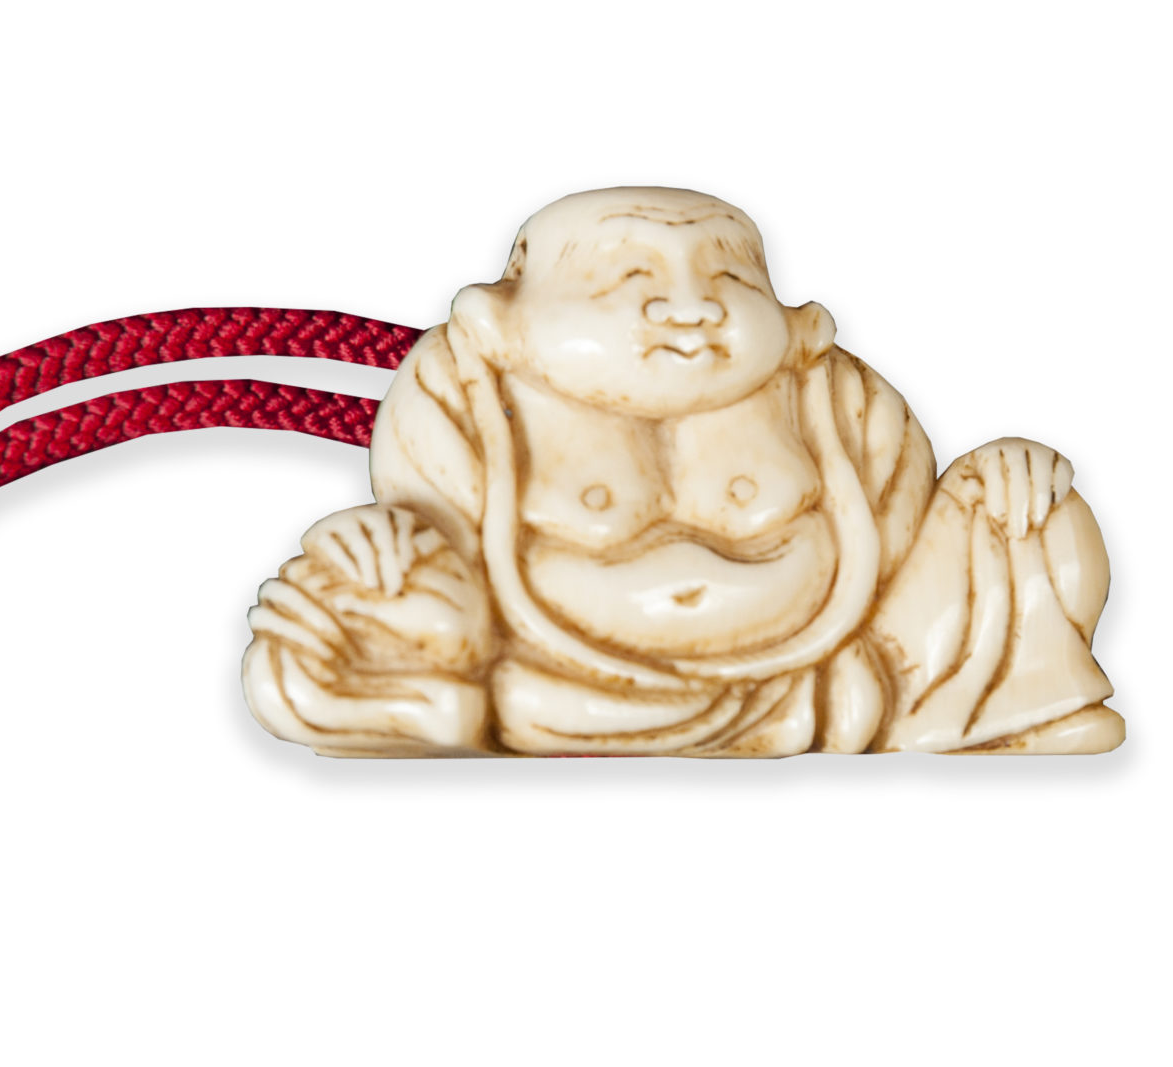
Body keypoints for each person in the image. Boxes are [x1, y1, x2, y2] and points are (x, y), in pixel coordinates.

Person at [243, 187, 1122, 756]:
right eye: (627, 275)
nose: (689, 306)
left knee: (1024, 506)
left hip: (831, 683)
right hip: (551, 692)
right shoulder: (466, 391)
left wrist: (1000, 480)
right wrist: (379, 555)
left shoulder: (826, 393)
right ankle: (420, 712)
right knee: (358, 598)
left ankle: (981, 713)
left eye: (728, 275)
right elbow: (431, 538)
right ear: (506, 309)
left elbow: (901, 527)